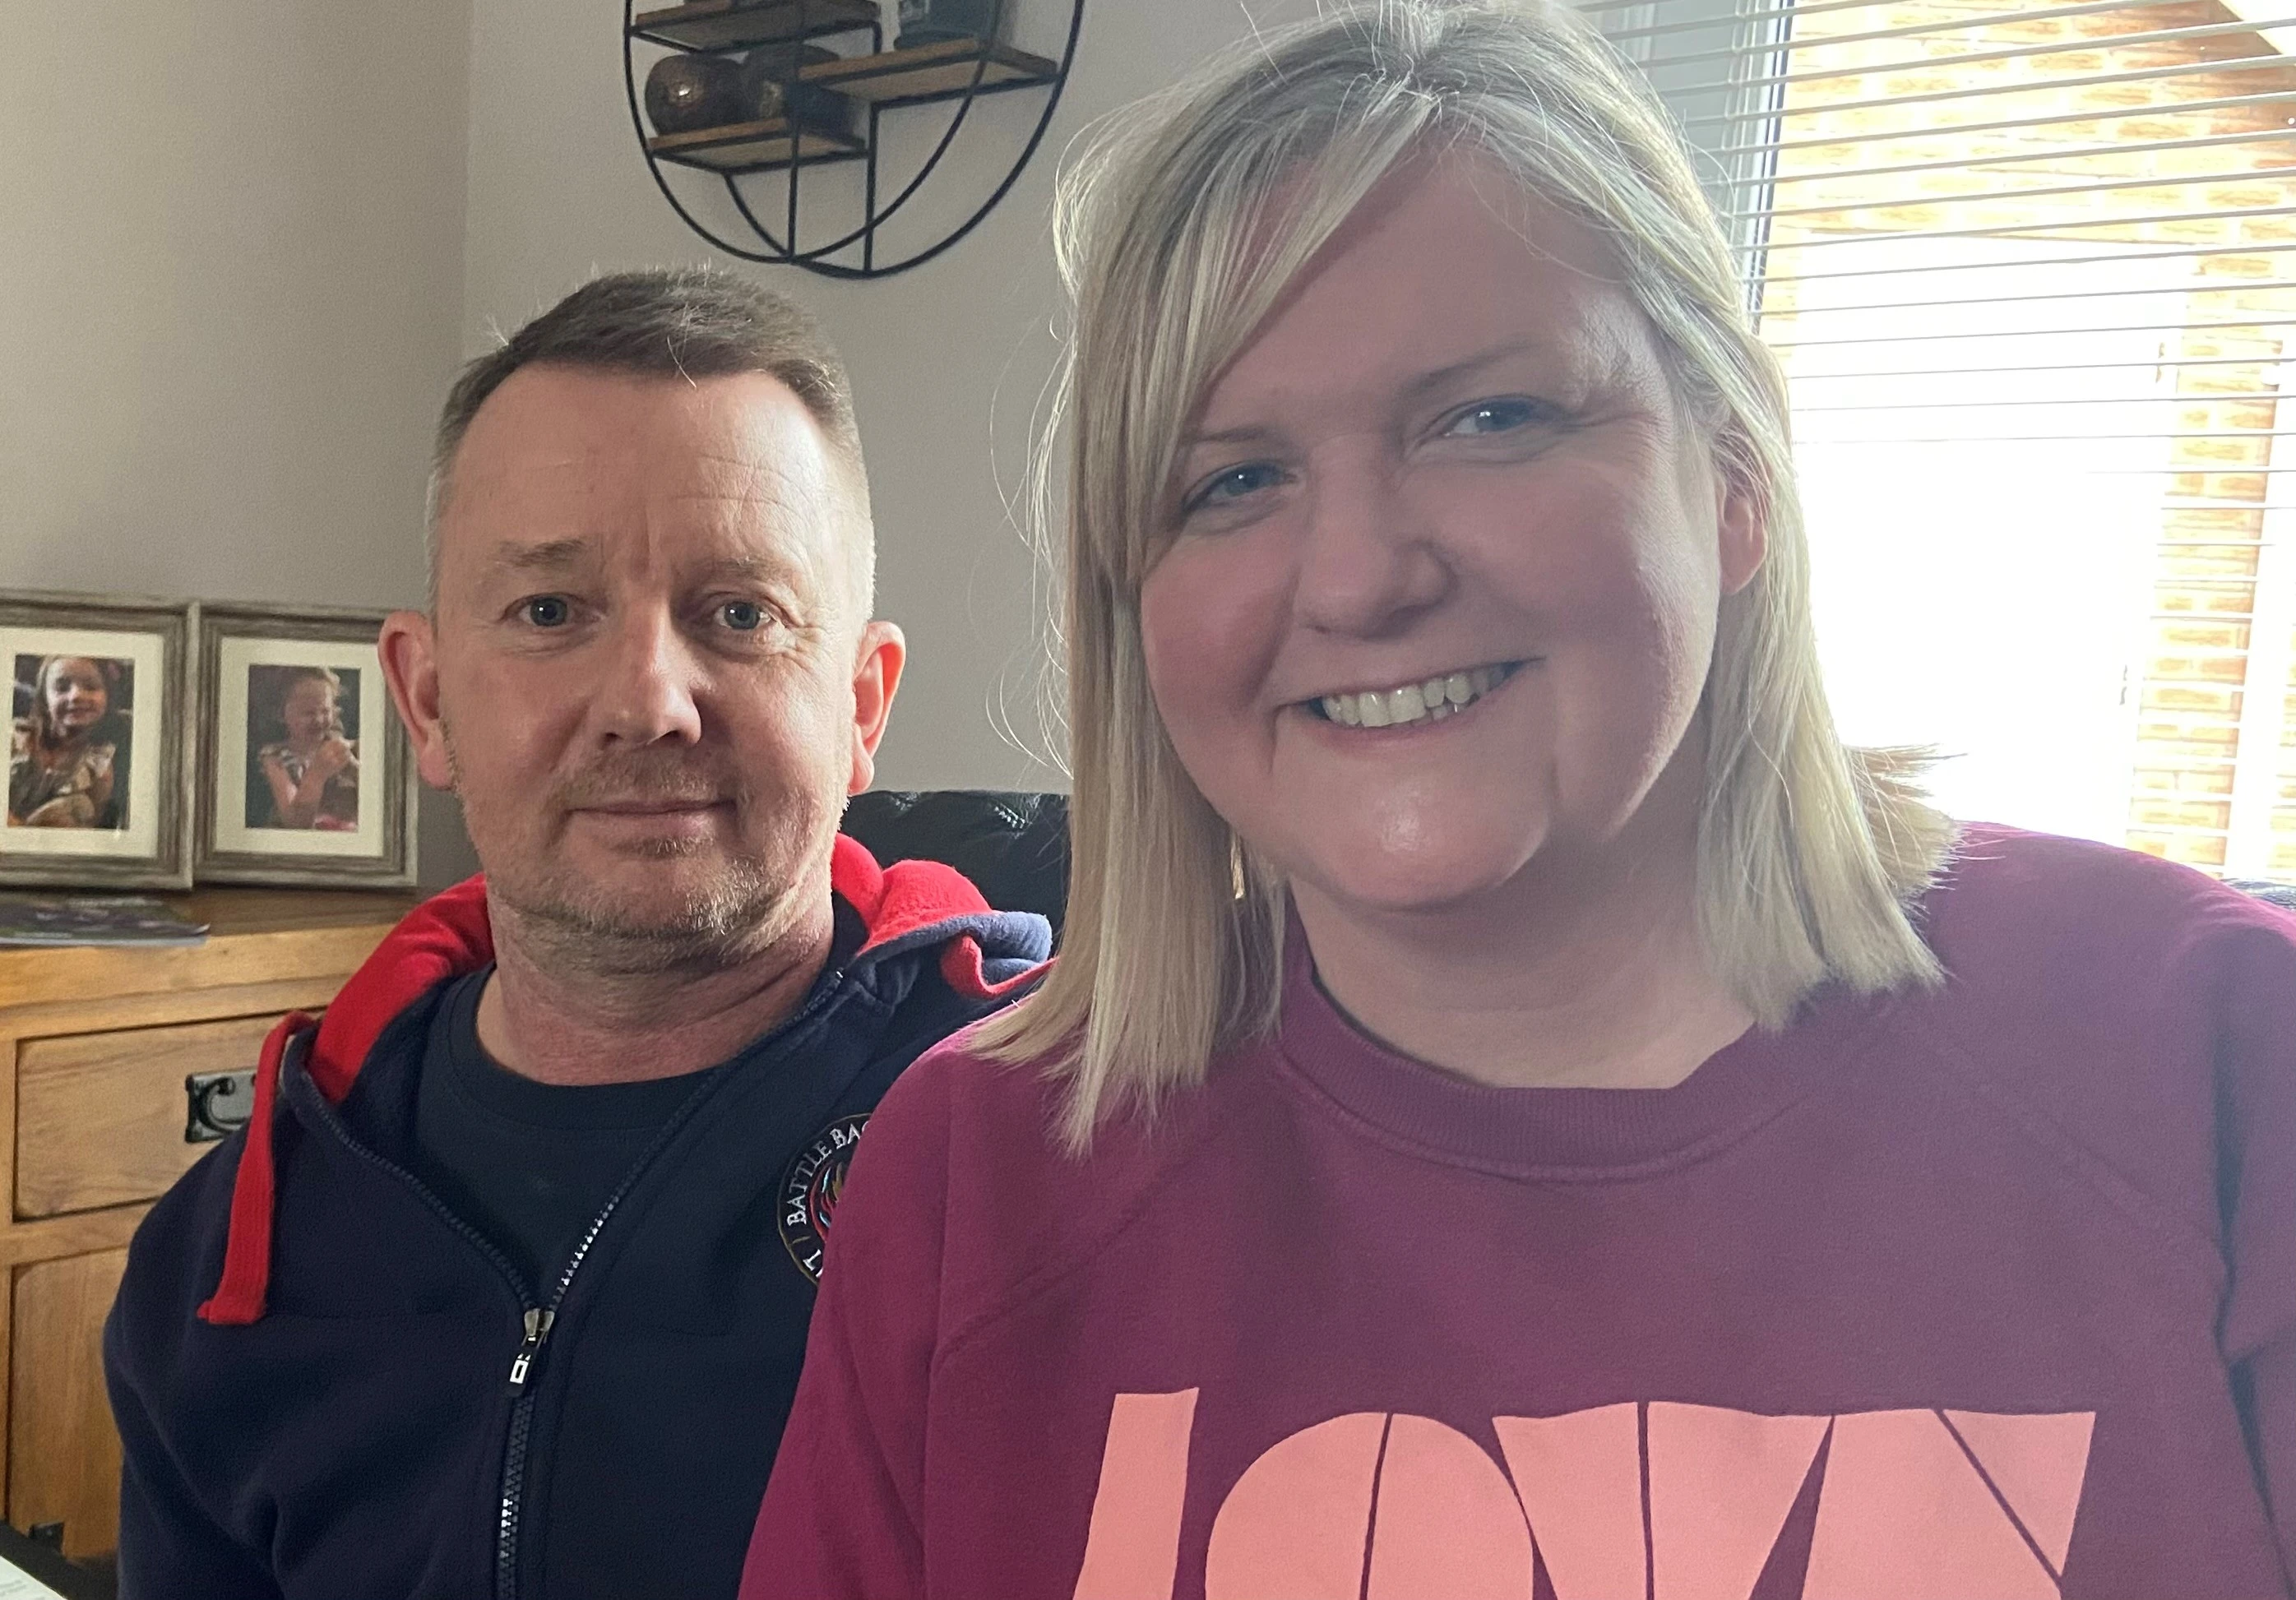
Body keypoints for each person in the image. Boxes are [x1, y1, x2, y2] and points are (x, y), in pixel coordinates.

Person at [743, 6, 2296, 1597]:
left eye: (1491, 417)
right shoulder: (975, 1175)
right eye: (1230, 479)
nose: (1357, 576)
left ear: (1735, 474)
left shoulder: (2209, 1057)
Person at [104, 268, 1050, 1600]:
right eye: (550, 612)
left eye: (740, 614)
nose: (648, 701)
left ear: (860, 701)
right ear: (425, 702)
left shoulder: (1060, 1155)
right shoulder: (225, 1271)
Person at [8, 654, 122, 827]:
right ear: (44, 698)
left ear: (107, 697)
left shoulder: (100, 771)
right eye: (61, 687)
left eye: (91, 687)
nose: (76, 695)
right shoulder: (13, 738)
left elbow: (84, 832)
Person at [254, 666, 359, 829]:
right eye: (308, 713)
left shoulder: (347, 748)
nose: (318, 720)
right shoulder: (275, 759)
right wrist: (317, 774)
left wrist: (355, 769)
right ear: (281, 714)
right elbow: (296, 823)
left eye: (325, 711)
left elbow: (377, 801)